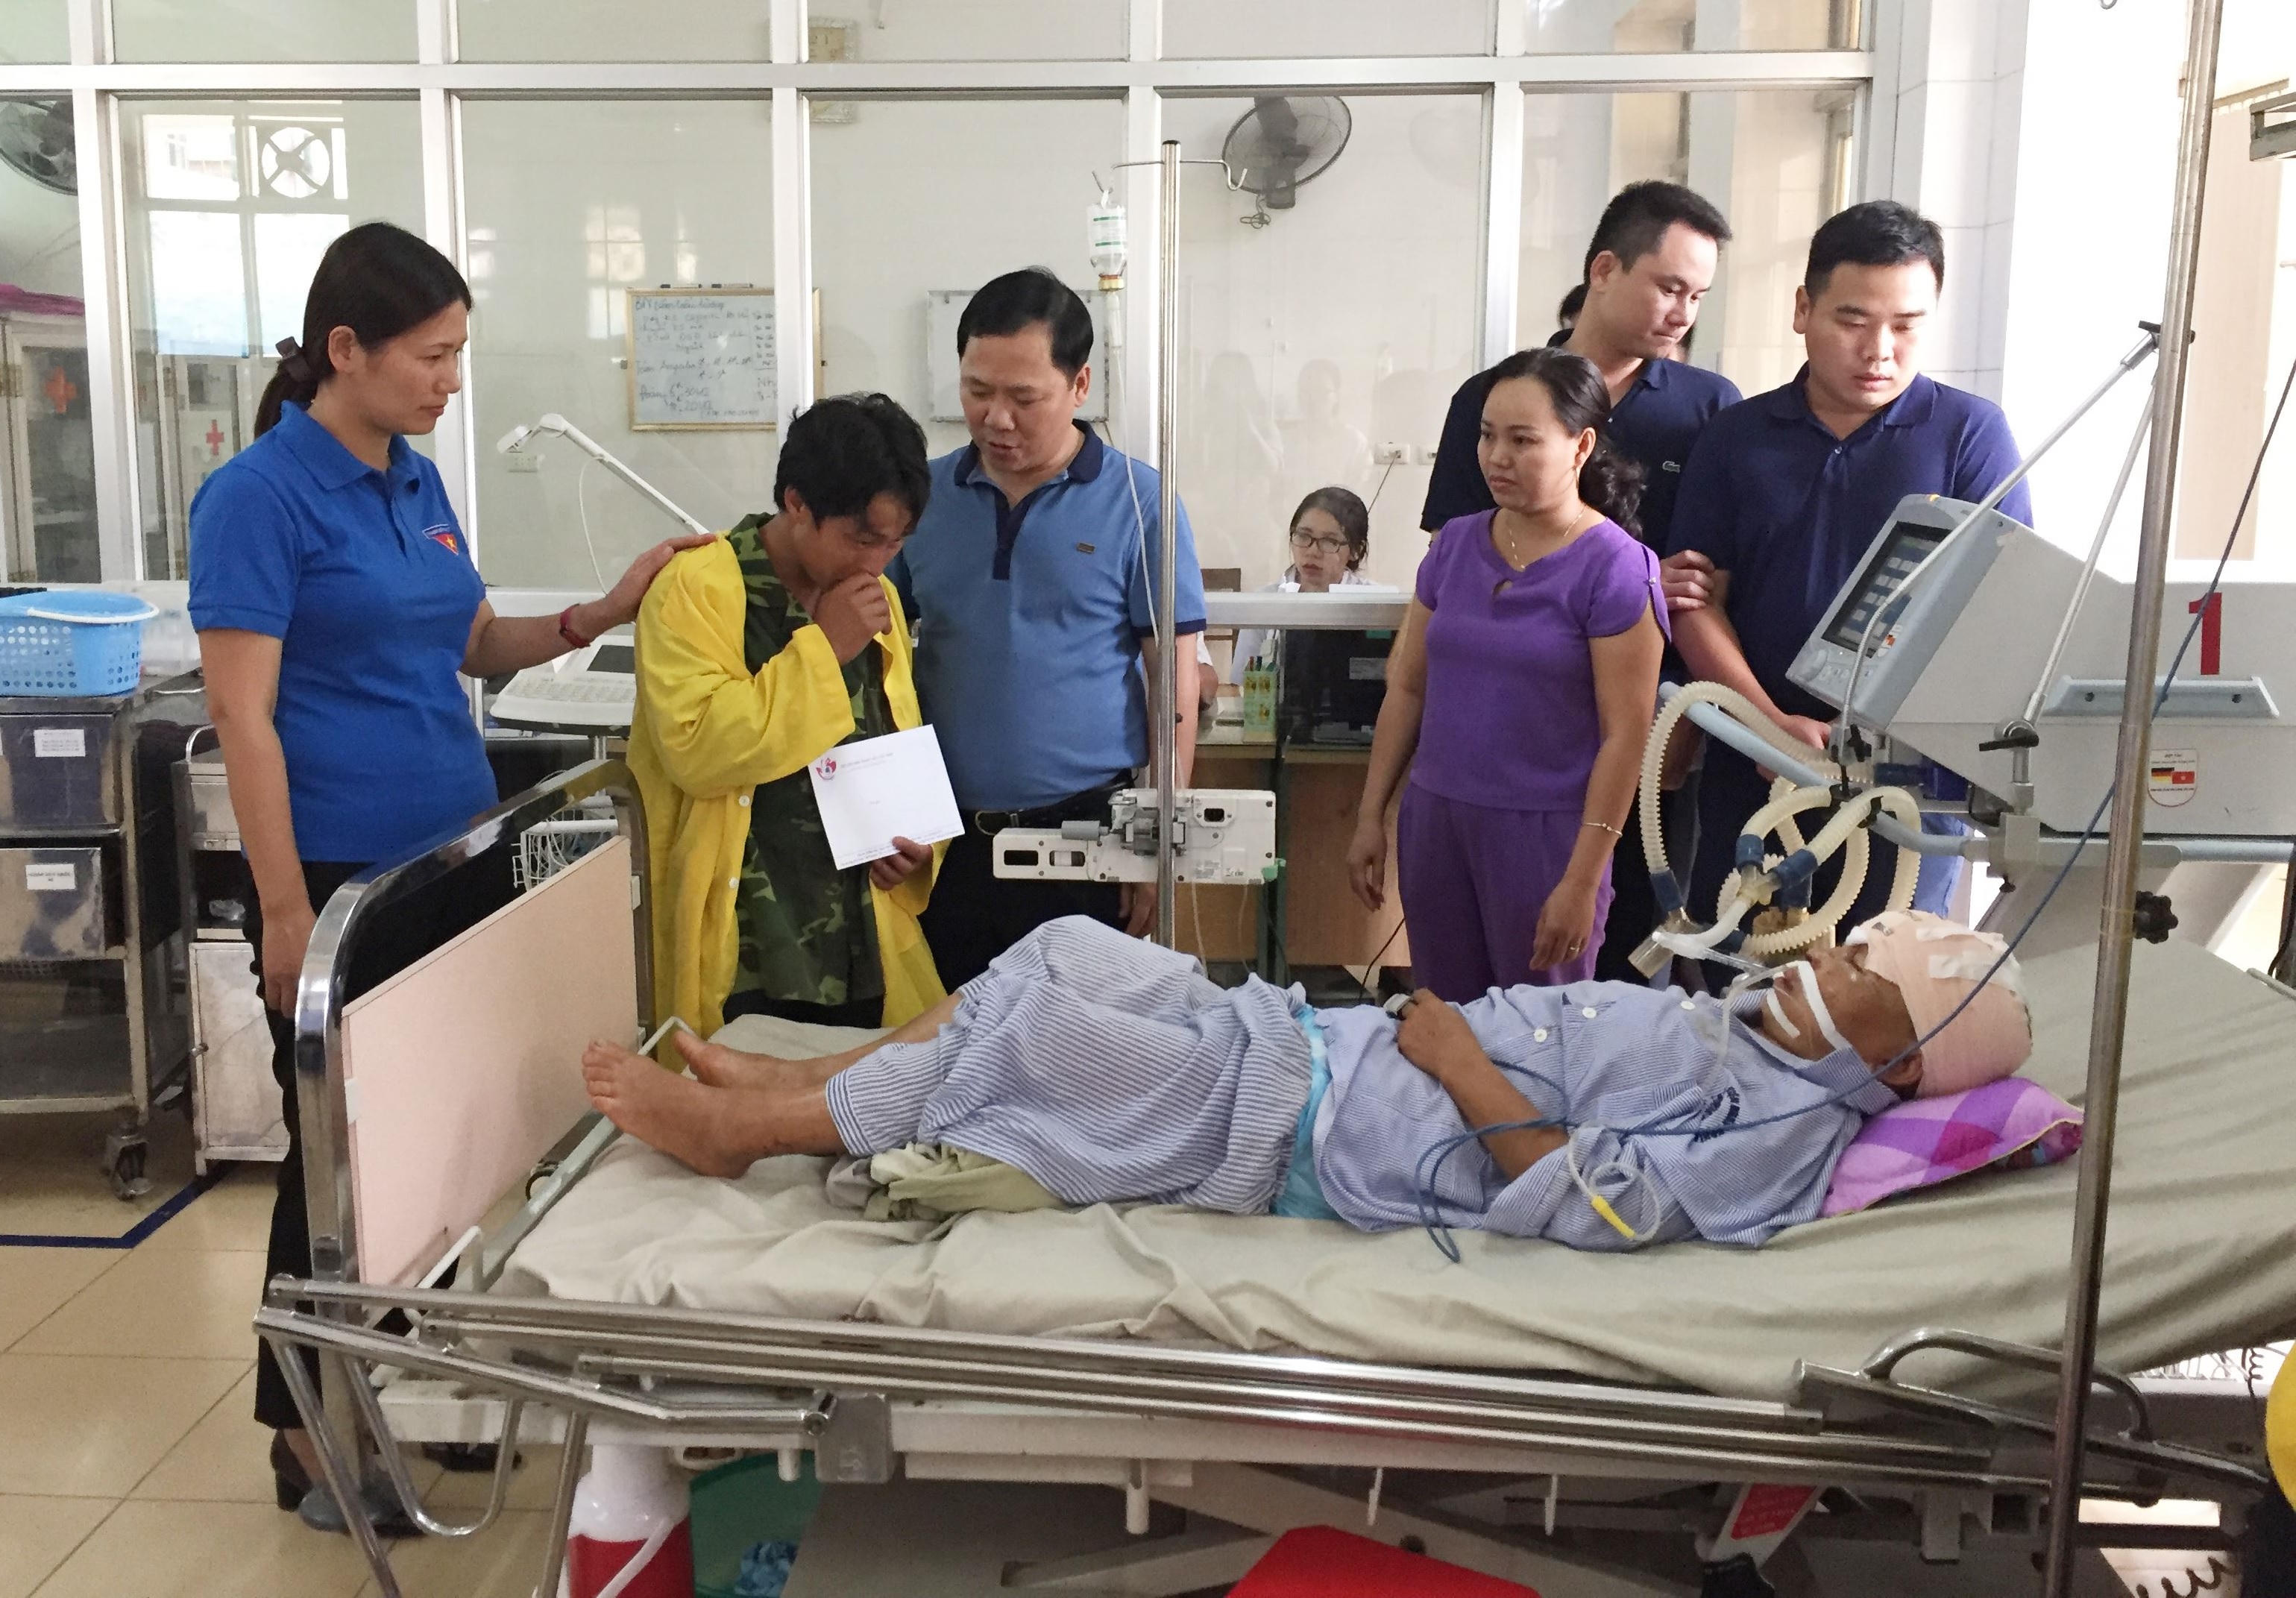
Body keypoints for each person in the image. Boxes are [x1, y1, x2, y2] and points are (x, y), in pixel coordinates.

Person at [189, 222, 707, 1525]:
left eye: (458, 352)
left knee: (452, 1150)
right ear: (345, 348)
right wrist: (287, 909)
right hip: (337, 876)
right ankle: (309, 1429)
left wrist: (600, 612)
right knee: (341, 1165)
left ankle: (424, 1388)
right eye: (430, 354)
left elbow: (472, 641)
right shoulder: (258, 497)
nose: (450, 379)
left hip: (447, 859)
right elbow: (243, 717)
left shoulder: (414, 480)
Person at [579, 910, 2032, 1253]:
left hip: (1300, 1130)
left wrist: (1460, 1063)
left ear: (1897, 1059)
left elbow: (1597, 1204)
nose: (1818, 957)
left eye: (1857, 969)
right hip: (1313, 1046)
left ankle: (748, 1130)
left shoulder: (1776, 1127)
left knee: (1037, 1035)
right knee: (1065, 944)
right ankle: (799, 1079)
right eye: (1841, 941)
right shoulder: (1746, 1037)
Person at [1661, 201, 2030, 939]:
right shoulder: (1736, 438)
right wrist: (1771, 728)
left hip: (1905, 787)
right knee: (1739, 966)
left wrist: (1867, 739)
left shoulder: (1968, 435)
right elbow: (1695, 599)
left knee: (1882, 979)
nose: (1879, 351)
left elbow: (2001, 608)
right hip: (1754, 768)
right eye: (1853, 320)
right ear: (1803, 309)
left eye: (1906, 325)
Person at [1421, 182, 1741, 984]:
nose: (1683, 313)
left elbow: (1710, 580)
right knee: (1483, 977)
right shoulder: (1495, 398)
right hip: (1510, 750)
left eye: (1697, 296)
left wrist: (1677, 690)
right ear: (1604, 269)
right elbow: (1460, 566)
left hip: (1647, 730)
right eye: (1669, 287)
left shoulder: (1708, 409)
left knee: (1626, 960)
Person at [892, 268, 1207, 987]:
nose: (996, 419)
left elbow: (1173, 682)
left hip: (1086, 841)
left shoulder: (1141, 502)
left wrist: (1154, 844)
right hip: (942, 845)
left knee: (1077, 1043)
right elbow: (867, 653)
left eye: (1023, 397)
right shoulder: (923, 497)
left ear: (1079, 384)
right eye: (976, 391)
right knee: (943, 1039)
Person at [1345, 349, 1666, 999]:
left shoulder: (1615, 566)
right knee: (1445, 1016)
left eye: (1522, 441)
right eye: (1487, 436)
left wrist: (1582, 880)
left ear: (1580, 446)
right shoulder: (1454, 544)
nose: (1496, 457)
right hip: (1436, 821)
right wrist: (1370, 813)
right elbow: (1407, 687)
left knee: (1537, 1028)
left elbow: (1625, 738)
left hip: (1545, 836)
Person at [630, 394, 945, 1040]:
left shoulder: (879, 596)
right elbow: (699, 750)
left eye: (896, 543)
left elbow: (896, 737)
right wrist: (824, 649)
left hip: (859, 932)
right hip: (747, 937)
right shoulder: (696, 587)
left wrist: (918, 848)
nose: (878, 562)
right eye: (862, 539)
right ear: (796, 503)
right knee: (730, 1087)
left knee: (868, 1091)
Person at [1226, 485, 1391, 685]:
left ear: (1356, 550)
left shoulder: (1376, 605)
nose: (1312, 551)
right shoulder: (1264, 603)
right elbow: (1242, 685)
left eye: (1330, 541)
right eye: (1303, 536)